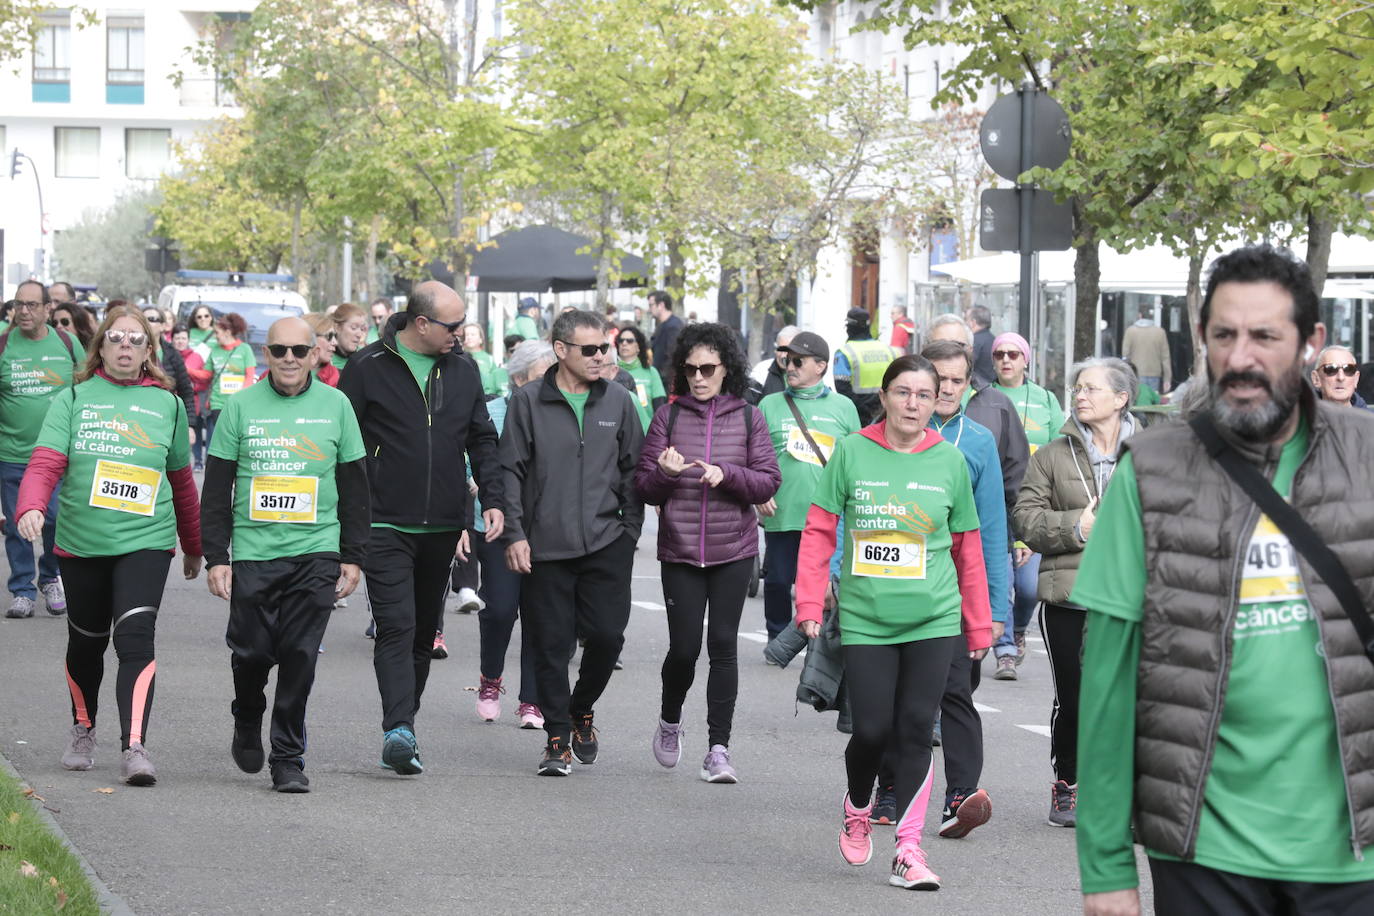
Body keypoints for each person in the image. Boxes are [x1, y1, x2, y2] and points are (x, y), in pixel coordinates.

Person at [1072, 245, 1374, 914]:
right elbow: (1109, 685)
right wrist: (1105, 866)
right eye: (1224, 335)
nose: (1242, 358)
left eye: (1265, 336)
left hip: (1357, 858)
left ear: (1311, 343)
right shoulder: (1149, 471)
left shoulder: (1369, 459)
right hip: (1206, 854)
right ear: (1202, 338)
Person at [795, 354, 992, 891]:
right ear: (883, 397)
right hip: (866, 618)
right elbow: (819, 530)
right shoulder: (852, 452)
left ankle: (908, 849)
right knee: (873, 730)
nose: (913, 404)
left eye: (924, 395)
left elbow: (967, 549)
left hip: (933, 616)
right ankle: (859, 803)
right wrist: (810, 602)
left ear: (937, 402)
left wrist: (979, 625)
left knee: (914, 729)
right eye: (903, 393)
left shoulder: (949, 462)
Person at [16, 304, 202, 785]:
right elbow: (44, 464)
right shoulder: (74, 399)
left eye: (135, 340)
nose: (125, 346)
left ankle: (134, 745)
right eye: (116, 338)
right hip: (82, 542)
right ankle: (83, 727)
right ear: (100, 347)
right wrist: (32, 506)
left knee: (135, 638)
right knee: (86, 643)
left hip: (146, 541)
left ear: (148, 352)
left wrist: (195, 545)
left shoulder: (169, 405)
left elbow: (182, 481)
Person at [339, 280, 505, 775]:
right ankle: (398, 729)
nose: (461, 334)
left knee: (422, 633)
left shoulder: (464, 369)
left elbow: (483, 440)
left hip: (444, 522)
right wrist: (348, 516)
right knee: (397, 624)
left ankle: (404, 728)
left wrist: (491, 500)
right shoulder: (367, 366)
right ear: (422, 323)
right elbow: (343, 443)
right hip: (385, 519)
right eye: (453, 326)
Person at [201, 317, 369, 793]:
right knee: (252, 651)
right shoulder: (240, 407)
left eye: (299, 350)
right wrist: (217, 556)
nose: (290, 359)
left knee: (300, 654)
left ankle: (288, 756)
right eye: (279, 351)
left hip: (316, 550)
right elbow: (216, 490)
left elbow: (356, 486)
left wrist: (353, 554)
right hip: (254, 552)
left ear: (316, 352)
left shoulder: (336, 406)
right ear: (266, 354)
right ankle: (248, 709)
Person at [864, 338, 1005, 838]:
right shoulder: (876, 439)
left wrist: (995, 611)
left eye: (956, 381)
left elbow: (990, 532)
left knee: (957, 692)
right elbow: (852, 515)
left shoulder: (978, 441)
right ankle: (889, 787)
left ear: (968, 386)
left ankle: (961, 795)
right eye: (936, 379)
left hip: (951, 594)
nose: (945, 389)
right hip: (885, 591)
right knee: (896, 700)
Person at [500, 308, 644, 776]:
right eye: (592, 349)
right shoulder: (527, 402)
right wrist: (518, 535)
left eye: (606, 346)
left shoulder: (619, 400)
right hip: (546, 548)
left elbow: (634, 472)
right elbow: (511, 471)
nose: (603, 355)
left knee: (607, 638)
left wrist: (630, 532)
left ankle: (582, 709)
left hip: (607, 543)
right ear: (561, 351)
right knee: (550, 644)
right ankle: (557, 736)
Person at [636, 323, 781, 783]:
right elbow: (643, 486)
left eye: (708, 368)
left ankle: (718, 749)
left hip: (733, 549)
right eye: (690, 368)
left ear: (726, 370)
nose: (698, 377)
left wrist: (728, 475)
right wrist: (664, 473)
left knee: (723, 646)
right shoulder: (668, 417)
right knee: (683, 649)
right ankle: (670, 720)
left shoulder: (749, 418)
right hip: (679, 549)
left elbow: (767, 479)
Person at [1012, 356, 1138, 829]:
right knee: (1077, 696)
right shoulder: (1050, 455)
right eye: (1077, 389)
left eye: (1090, 389)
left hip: (1132, 597)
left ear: (1121, 398)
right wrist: (1077, 526)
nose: (1079, 396)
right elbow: (1024, 519)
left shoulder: (1152, 453)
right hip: (1072, 595)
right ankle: (1068, 783)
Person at [756, 332, 860, 645]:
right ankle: (777, 637)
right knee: (776, 581)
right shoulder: (769, 405)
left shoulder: (844, 407)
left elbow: (859, 459)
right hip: (783, 511)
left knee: (825, 583)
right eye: (787, 359)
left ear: (821, 366)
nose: (790, 366)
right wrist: (760, 492)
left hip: (830, 515)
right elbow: (754, 456)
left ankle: (822, 640)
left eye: (798, 361)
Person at [472, 339, 554, 729]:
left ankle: (532, 700)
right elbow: (469, 458)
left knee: (539, 616)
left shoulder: (556, 413)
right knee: (501, 610)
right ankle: (491, 680)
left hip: (545, 529)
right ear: (518, 378)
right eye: (541, 374)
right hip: (497, 526)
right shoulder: (492, 412)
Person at [987, 331, 1065, 679]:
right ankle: (1004, 650)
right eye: (999, 354)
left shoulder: (1045, 399)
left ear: (1026, 360)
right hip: (996, 500)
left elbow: (1060, 448)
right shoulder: (984, 398)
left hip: (1035, 501)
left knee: (1030, 587)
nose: (1006, 360)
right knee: (1001, 580)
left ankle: (1019, 628)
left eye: (1013, 354)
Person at [0, 280, 80, 618]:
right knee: (17, 525)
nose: (24, 311)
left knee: (55, 519)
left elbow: (86, 389)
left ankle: (49, 575)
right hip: (12, 454)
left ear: (49, 308)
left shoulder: (66, 342)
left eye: (32, 305)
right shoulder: (4, 344)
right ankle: (22, 589)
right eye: (19, 304)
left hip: (56, 456)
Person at [834, 307, 902, 426]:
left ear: (848, 327)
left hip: (858, 416)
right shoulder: (890, 351)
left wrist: (863, 410)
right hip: (886, 413)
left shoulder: (845, 352)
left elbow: (842, 389)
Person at [204, 313, 256, 447]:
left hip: (239, 402)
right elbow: (206, 374)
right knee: (222, 437)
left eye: (217, 332)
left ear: (227, 332)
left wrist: (241, 397)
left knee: (238, 437)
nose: (215, 336)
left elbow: (250, 376)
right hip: (218, 402)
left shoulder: (245, 349)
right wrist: (185, 368)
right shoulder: (214, 350)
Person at [138, 304, 194, 416]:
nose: (147, 323)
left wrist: (190, 425)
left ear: (163, 326)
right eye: (143, 319)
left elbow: (186, 391)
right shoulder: (132, 350)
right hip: (138, 413)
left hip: (166, 414)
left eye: (152, 319)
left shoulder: (173, 353)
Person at [173, 324, 212, 470]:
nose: (180, 341)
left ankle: (197, 461)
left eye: (183, 338)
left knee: (193, 430)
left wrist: (190, 382)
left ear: (188, 340)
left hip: (193, 401)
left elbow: (205, 379)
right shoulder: (168, 355)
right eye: (177, 338)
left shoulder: (197, 356)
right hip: (172, 400)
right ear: (172, 339)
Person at [615, 323, 667, 432]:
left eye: (629, 341)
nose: (624, 343)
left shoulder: (651, 372)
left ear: (638, 346)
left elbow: (660, 408)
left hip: (646, 433)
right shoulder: (610, 371)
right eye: (621, 340)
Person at [1121, 304, 1171, 394]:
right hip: (1155, 374)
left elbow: (1125, 355)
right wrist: (1167, 379)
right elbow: (1165, 358)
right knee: (1152, 402)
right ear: (1152, 316)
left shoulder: (1130, 331)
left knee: (1137, 401)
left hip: (1136, 374)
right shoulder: (1160, 332)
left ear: (1140, 315)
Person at [745, 325, 797, 406]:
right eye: (780, 349)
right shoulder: (761, 369)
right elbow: (747, 404)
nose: (783, 356)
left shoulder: (807, 372)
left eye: (787, 350)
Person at [648, 290, 683, 393]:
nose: (650, 309)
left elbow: (672, 356)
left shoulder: (674, 326)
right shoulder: (663, 325)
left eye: (651, 305)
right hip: (660, 379)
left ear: (661, 305)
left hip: (666, 382)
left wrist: (662, 378)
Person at [462, 323, 503, 397]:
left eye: (473, 334)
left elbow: (494, 380)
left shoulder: (489, 359)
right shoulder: (458, 356)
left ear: (481, 339)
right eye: (466, 335)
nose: (469, 337)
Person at [329, 303, 370, 372]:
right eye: (353, 328)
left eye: (362, 329)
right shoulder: (325, 359)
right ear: (337, 327)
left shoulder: (364, 357)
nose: (359, 334)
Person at [303, 313, 340, 387]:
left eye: (335, 336)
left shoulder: (333, 374)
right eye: (329, 336)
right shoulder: (287, 369)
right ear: (310, 337)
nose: (335, 342)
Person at [964, 305, 995, 383]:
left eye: (966, 319)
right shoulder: (993, 339)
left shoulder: (974, 341)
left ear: (973, 322)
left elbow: (965, 366)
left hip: (977, 388)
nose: (965, 323)